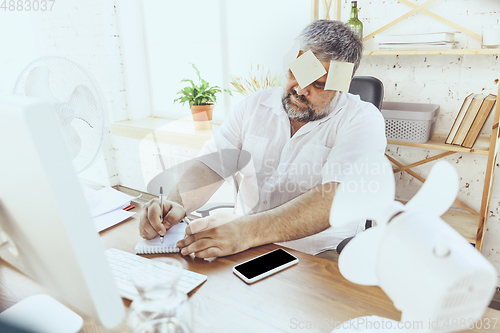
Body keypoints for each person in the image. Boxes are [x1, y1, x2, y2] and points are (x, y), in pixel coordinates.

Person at [139, 20, 387, 258]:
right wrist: (176, 202)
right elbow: (212, 163)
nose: (300, 89)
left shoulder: (363, 120)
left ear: (342, 86)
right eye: (295, 73)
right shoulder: (253, 106)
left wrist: (246, 231)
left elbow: (337, 195)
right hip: (242, 245)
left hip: (317, 254)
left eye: (319, 84)